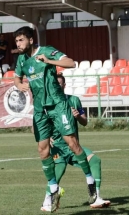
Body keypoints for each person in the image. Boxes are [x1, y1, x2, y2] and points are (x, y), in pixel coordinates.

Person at [13, 26, 97, 212]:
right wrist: (20, 86)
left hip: (58, 105)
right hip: (39, 110)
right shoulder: (21, 60)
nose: (18, 44)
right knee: (42, 150)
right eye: (16, 41)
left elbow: (71, 63)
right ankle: (53, 189)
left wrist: (49, 61)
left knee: (72, 144)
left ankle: (90, 181)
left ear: (31, 40)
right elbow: (17, 78)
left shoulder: (46, 51)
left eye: (21, 40)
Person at [40, 75, 110, 212]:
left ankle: (95, 197)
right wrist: (46, 137)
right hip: (57, 149)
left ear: (64, 85)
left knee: (94, 160)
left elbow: (84, 122)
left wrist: (78, 115)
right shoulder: (46, 104)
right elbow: (36, 127)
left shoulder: (73, 100)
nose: (57, 86)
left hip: (73, 147)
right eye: (54, 83)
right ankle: (47, 201)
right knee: (57, 174)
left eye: (59, 83)